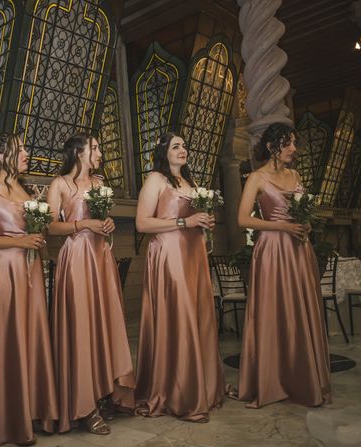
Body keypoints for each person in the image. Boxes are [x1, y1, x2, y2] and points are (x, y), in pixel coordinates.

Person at [0, 133, 58, 447]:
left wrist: (37, 231)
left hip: (29, 272)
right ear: (3, 155)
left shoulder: (26, 190)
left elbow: (36, 232)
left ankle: (28, 413)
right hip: (1, 272)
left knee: (29, 337)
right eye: (21, 149)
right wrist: (19, 242)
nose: (27, 154)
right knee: (4, 339)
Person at [234, 122, 331, 408]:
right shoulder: (256, 177)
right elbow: (242, 219)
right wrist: (280, 227)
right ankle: (272, 380)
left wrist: (306, 224)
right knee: (275, 311)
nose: (293, 149)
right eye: (288, 143)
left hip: (299, 251)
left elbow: (302, 214)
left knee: (302, 309)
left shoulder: (296, 174)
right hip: (273, 252)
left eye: (294, 143)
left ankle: (303, 378)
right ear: (271, 146)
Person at [46, 133, 135, 435]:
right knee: (82, 326)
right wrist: (83, 224)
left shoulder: (99, 184)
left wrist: (107, 225)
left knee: (105, 323)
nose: (100, 152)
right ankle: (85, 405)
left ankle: (107, 391)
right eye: (95, 148)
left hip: (100, 256)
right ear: (79, 152)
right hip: (77, 257)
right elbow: (50, 226)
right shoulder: (61, 184)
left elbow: (103, 219)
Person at [134, 131, 225, 422]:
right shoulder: (155, 179)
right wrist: (185, 221)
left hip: (193, 255)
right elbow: (142, 223)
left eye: (185, 145)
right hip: (169, 255)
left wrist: (205, 221)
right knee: (179, 315)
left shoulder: (191, 183)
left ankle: (204, 386)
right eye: (176, 146)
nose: (183, 150)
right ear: (164, 152)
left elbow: (194, 217)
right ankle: (177, 391)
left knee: (198, 315)